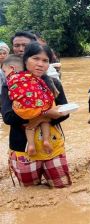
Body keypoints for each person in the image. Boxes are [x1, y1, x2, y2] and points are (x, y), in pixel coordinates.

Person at [1, 41, 72, 188]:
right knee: (30, 191)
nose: (40, 64)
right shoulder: (10, 85)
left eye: (45, 60)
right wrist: (44, 115)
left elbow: (65, 113)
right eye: (35, 59)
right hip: (23, 147)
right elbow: (8, 117)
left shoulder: (53, 84)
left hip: (52, 145)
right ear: (25, 60)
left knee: (62, 188)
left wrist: (41, 117)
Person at [3, 54, 54, 156]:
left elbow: (13, 96)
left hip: (25, 112)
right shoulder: (35, 79)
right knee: (45, 123)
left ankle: (31, 145)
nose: (4, 74)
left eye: (4, 71)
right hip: (41, 108)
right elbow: (7, 118)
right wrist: (44, 116)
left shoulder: (10, 81)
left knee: (29, 126)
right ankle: (46, 140)